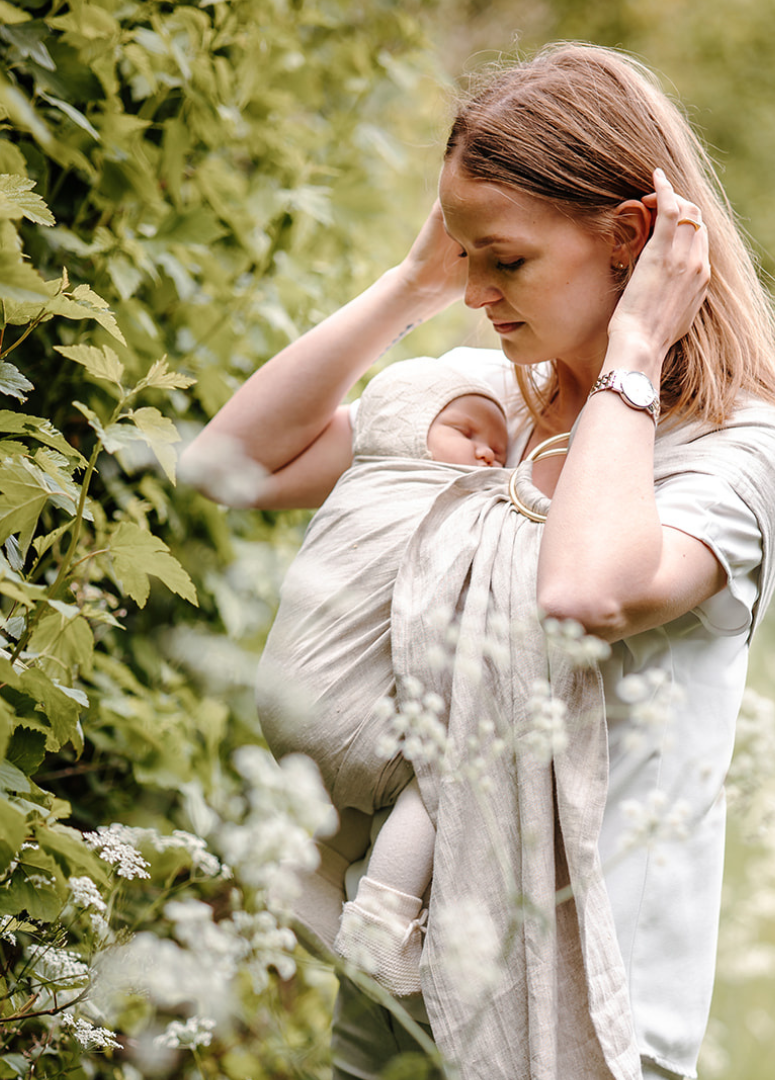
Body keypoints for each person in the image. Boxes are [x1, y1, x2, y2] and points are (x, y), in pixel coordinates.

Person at [181, 42, 775, 1080]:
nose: (480, 293)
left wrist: (630, 361)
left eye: (506, 260)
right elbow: (226, 465)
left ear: (629, 241)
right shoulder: (485, 401)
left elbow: (584, 591)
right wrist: (411, 285)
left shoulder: (739, 449)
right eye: (468, 255)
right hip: (396, 978)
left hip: (583, 1021)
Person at [254, 359, 509, 996]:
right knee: (445, 769)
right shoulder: (412, 488)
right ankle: (384, 916)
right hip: (360, 716)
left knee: (337, 813)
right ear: (403, 425)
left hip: (284, 706)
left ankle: (312, 884)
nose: (486, 453)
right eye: (466, 430)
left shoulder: (350, 485)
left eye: (499, 449)